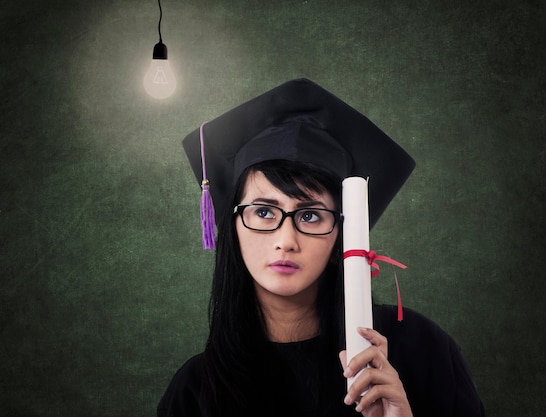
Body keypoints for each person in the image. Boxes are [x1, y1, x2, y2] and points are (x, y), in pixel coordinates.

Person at [157, 79, 484, 417]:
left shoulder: (421, 351)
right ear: (233, 226)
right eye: (264, 211)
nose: (286, 240)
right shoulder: (194, 392)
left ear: (341, 234)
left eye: (310, 215)